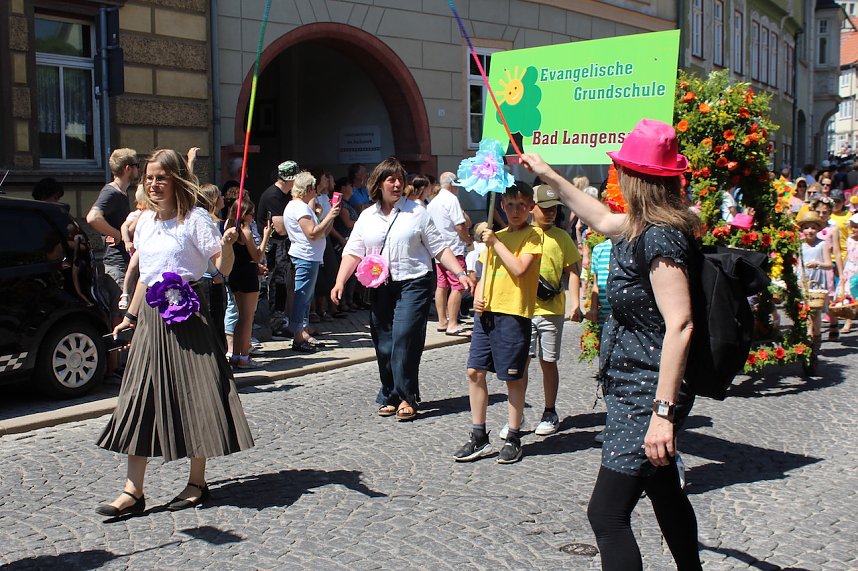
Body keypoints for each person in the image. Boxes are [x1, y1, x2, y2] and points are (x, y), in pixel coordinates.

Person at [522, 118, 703, 570]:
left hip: (649, 393)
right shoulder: (639, 224)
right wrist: (547, 172)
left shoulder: (659, 237)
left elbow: (680, 324)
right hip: (633, 386)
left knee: (605, 514)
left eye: (622, 168)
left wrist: (662, 414)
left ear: (637, 178)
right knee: (663, 490)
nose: (616, 175)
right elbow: (600, 217)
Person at [96, 148, 253, 517]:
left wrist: (228, 246)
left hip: (190, 317)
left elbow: (221, 269)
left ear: (177, 179)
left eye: (161, 177)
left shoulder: (196, 219)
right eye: (149, 177)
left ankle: (197, 481)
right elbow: (147, 277)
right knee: (138, 397)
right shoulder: (145, 221)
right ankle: (133, 491)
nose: (153, 183)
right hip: (152, 319)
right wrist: (131, 316)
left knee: (196, 395)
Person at [331, 157, 475, 421]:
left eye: (400, 179)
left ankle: (407, 396)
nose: (397, 184)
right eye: (391, 179)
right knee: (383, 341)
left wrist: (460, 272)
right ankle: (390, 393)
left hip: (414, 282)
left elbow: (439, 248)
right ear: (379, 184)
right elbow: (353, 252)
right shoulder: (367, 216)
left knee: (404, 336)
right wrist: (340, 281)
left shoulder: (417, 212)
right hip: (381, 285)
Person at [453, 181, 543, 464]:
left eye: (521, 205)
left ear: (529, 208)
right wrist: (478, 296)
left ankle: (514, 435)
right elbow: (484, 272)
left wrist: (494, 242)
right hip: (487, 314)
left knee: (512, 378)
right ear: (502, 206)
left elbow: (518, 269)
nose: (515, 210)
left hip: (514, 313)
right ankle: (478, 436)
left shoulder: (534, 236)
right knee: (474, 372)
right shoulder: (497, 235)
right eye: (510, 205)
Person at [519, 184, 582, 437]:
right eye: (545, 207)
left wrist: (575, 302)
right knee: (519, 364)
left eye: (554, 207)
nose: (551, 212)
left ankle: (550, 410)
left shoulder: (562, 237)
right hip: (521, 309)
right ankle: (517, 414)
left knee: (548, 361)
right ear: (531, 208)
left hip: (551, 310)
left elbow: (573, 272)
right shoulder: (520, 233)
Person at [284, 171, 340, 352]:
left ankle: (303, 332)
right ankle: (298, 337)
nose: (316, 192)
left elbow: (320, 232)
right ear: (308, 189)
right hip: (305, 256)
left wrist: (329, 217)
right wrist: (330, 216)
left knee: (306, 297)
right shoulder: (299, 208)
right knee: (302, 297)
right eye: (314, 189)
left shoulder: (299, 206)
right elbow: (313, 233)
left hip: (310, 255)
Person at [87, 148, 138, 322]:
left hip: (122, 262)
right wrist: (118, 235)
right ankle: (117, 349)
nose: (137, 169)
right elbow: (93, 217)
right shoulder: (111, 192)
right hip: (116, 264)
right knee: (120, 314)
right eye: (136, 165)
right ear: (127, 168)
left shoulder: (120, 193)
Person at [226, 198, 272, 367]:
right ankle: (244, 356)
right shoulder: (245, 232)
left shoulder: (229, 229)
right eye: (251, 213)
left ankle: (237, 355)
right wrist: (266, 236)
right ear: (244, 214)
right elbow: (257, 256)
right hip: (248, 275)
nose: (253, 217)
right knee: (247, 318)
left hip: (235, 274)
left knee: (240, 317)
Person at [257, 160, 300, 337]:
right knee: (265, 286)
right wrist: (299, 225)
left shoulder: (287, 195)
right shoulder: (273, 196)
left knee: (280, 284)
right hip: (270, 249)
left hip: (282, 248)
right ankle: (261, 325)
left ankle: (278, 322)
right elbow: (280, 228)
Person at [427, 172, 473, 337]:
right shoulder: (451, 199)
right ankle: (452, 323)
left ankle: (442, 321)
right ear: (453, 183)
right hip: (453, 250)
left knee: (442, 285)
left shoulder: (434, 201)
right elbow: (460, 226)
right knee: (458, 286)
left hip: (439, 251)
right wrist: (468, 240)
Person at [798, 210, 832, 344]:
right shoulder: (799, 244)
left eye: (813, 227)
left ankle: (816, 334)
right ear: (802, 229)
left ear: (818, 228)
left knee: (816, 311)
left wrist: (818, 264)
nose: (810, 231)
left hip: (817, 281)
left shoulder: (822, 244)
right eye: (806, 227)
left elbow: (829, 264)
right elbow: (797, 263)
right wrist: (798, 279)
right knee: (805, 310)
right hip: (803, 280)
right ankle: (808, 336)